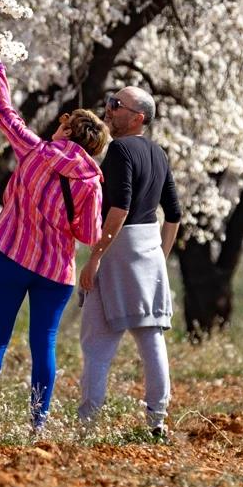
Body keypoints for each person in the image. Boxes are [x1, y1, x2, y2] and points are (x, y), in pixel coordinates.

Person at [0, 60, 110, 431]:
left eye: (62, 123)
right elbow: (89, 235)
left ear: (66, 129)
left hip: (13, 257)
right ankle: (37, 424)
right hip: (55, 272)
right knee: (43, 346)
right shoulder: (92, 183)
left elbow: (5, 114)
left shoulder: (34, 151)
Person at [77, 85, 181, 438]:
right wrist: (159, 258)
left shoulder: (120, 149)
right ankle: (157, 420)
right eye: (109, 101)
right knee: (151, 337)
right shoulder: (159, 153)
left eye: (116, 105)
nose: (108, 109)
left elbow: (119, 208)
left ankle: (88, 422)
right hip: (148, 249)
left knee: (97, 342)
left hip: (117, 250)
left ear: (138, 118)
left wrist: (95, 259)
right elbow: (174, 216)